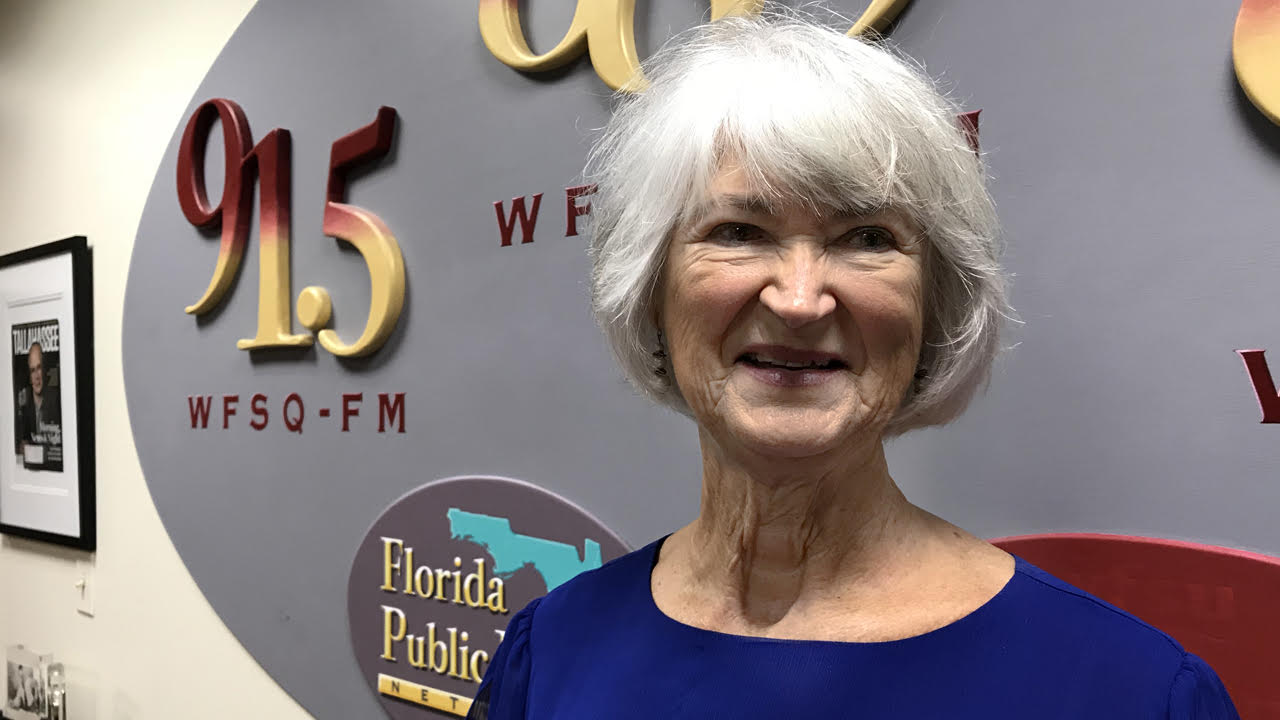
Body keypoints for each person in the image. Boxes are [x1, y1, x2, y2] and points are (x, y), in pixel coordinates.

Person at [469, 13, 1239, 719]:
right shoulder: (554, 651)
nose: (801, 300)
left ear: (934, 303)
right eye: (739, 232)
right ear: (651, 291)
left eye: (867, 238)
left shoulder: (1131, 692)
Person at [19, 341, 61, 444]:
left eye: (39, 368)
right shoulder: (24, 405)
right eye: (32, 370)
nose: (36, 376)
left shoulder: (57, 401)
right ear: (29, 376)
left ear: (45, 369)